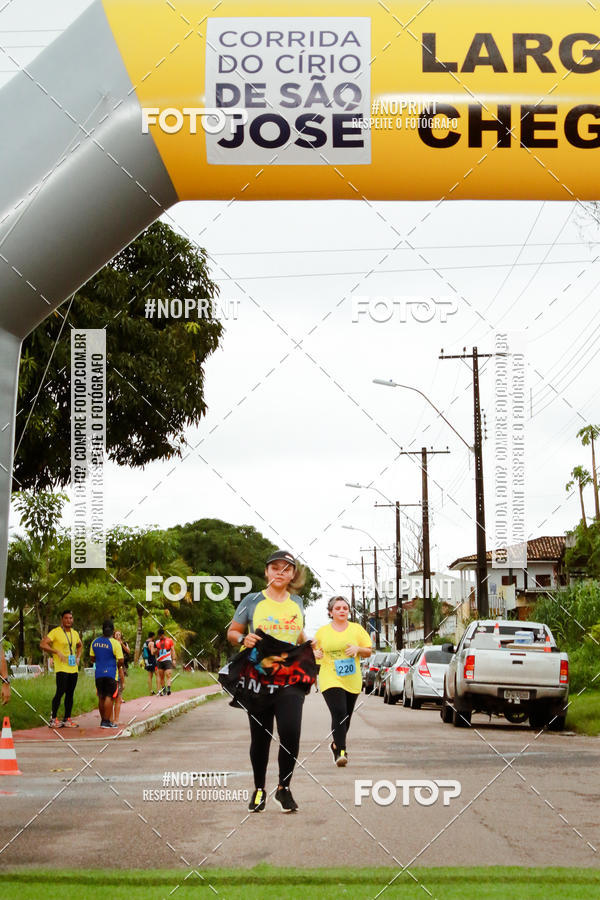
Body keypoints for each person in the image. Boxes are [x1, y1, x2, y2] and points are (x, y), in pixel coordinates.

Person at [227, 550, 310, 814]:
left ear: (292, 575)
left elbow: (298, 635)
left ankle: (283, 789)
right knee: (261, 736)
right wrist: (244, 640)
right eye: (275, 568)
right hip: (258, 676)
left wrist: (309, 647)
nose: (280, 573)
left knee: (291, 733)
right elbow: (232, 631)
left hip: (289, 676)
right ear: (266, 572)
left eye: (286, 569)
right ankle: (259, 788)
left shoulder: (297, 601)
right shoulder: (251, 601)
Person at [313, 596, 372, 767]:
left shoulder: (357, 629)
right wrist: (315, 654)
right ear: (331, 612)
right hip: (330, 676)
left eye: (345, 608)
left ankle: (334, 744)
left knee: (346, 716)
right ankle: (341, 751)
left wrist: (357, 649)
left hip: (351, 678)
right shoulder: (323, 632)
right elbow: (314, 652)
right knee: (338, 711)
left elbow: (368, 651)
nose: (342, 611)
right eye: (337, 608)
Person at [40, 610, 82, 727]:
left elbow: (80, 645)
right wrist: (56, 651)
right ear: (62, 620)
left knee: (70, 694)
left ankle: (67, 719)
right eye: (66, 618)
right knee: (60, 692)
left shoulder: (74, 633)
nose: (69, 620)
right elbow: (43, 644)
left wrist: (78, 657)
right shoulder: (55, 632)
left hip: (73, 668)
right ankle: (53, 719)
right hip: (61, 668)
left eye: (70, 618)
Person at [90, 620, 124, 729]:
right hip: (111, 673)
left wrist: (101, 661)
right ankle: (106, 721)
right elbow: (121, 660)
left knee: (101, 696)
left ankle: (103, 720)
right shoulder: (115, 643)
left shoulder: (95, 642)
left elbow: (92, 658)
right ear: (113, 630)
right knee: (110, 696)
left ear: (102, 629)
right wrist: (117, 666)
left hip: (98, 673)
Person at [112, 630, 130, 724]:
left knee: (121, 679)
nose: (118, 636)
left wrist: (122, 644)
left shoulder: (124, 643)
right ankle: (112, 719)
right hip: (116, 665)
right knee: (118, 679)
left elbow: (128, 651)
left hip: (123, 664)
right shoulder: (112, 643)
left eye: (119, 634)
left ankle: (120, 695)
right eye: (116, 634)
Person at [155, 628, 176, 696]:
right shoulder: (157, 642)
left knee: (168, 674)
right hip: (160, 661)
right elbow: (155, 652)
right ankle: (164, 689)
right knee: (161, 677)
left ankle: (169, 689)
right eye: (159, 636)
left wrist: (174, 659)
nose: (160, 637)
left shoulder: (169, 640)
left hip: (167, 660)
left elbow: (172, 650)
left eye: (161, 636)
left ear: (163, 635)